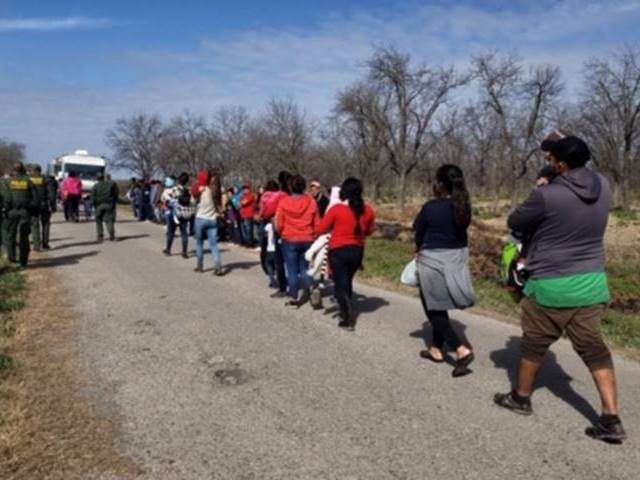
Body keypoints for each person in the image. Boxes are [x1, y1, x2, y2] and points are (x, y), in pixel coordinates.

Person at [494, 135, 626, 444]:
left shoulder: (547, 195)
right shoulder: (604, 185)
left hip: (551, 285)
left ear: (561, 164)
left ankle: (521, 398)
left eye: (552, 158)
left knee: (534, 345)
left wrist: (540, 189)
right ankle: (611, 417)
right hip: (592, 283)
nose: (549, 161)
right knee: (594, 350)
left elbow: (515, 221)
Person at [413, 164, 476, 377]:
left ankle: (461, 349)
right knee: (440, 303)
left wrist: (418, 249)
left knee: (433, 308)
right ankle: (436, 349)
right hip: (456, 260)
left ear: (440, 183)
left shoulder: (432, 207)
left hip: (433, 260)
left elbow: (418, 231)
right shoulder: (463, 206)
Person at [317, 178, 376, 331]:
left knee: (339, 285)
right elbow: (370, 230)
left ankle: (347, 316)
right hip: (357, 251)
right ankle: (347, 306)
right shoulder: (368, 210)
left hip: (338, 250)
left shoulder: (336, 209)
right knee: (347, 280)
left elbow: (322, 228)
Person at [275, 174, 319, 307]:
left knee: (292, 270)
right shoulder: (312, 201)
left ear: (290, 186)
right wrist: (315, 236)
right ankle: (312, 287)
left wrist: (279, 233)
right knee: (304, 268)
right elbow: (317, 222)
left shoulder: (284, 202)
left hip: (289, 239)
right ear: (304, 186)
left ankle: (294, 298)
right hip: (307, 238)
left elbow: (279, 223)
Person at [263, 171, 292, 298]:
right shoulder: (299, 195)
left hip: (281, 229)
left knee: (279, 260)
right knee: (295, 260)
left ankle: (283, 287)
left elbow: (268, 210)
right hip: (297, 230)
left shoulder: (279, 196)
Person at [192, 169, 225, 276]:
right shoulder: (214, 190)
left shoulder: (200, 189)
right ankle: (218, 267)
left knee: (199, 243)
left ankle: (200, 266)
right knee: (214, 245)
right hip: (212, 219)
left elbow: (193, 199)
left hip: (200, 219)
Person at [3, 163, 35, 268]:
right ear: (23, 170)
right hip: (25, 212)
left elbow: (6, 198)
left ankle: (12, 258)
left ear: (13, 170)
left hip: (11, 212)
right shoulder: (29, 182)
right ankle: (23, 262)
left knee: (10, 235)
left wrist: (5, 209)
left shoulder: (8, 182)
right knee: (24, 237)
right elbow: (35, 198)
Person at [161, 175, 189, 258]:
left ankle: (168, 250)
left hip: (171, 213)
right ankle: (184, 252)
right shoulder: (186, 190)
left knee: (171, 232)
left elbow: (164, 200)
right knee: (184, 233)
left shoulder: (170, 190)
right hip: (183, 213)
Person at [91, 171, 119, 242]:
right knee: (109, 221)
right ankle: (112, 236)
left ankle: (100, 237)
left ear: (97, 178)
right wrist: (114, 201)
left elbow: (93, 198)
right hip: (109, 204)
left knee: (98, 220)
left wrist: (94, 206)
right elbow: (116, 194)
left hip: (99, 205)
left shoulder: (95, 186)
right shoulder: (110, 184)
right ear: (103, 177)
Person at [27, 165, 49, 252]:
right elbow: (50, 192)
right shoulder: (45, 179)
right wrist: (52, 204)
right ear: (40, 171)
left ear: (33, 171)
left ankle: (36, 245)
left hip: (33, 205)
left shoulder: (29, 180)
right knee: (45, 224)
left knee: (34, 225)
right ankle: (45, 243)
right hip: (44, 204)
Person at [240, 183, 257, 247]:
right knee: (245, 230)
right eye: (244, 188)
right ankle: (247, 242)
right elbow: (241, 203)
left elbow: (244, 202)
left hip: (249, 215)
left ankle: (250, 243)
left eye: (246, 188)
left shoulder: (251, 195)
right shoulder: (242, 196)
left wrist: (242, 202)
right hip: (243, 215)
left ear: (249, 189)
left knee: (249, 229)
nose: (245, 190)